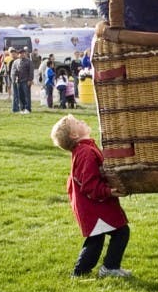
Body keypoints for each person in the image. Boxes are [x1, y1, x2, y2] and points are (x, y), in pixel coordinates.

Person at [49, 114, 130, 279]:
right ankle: (108, 267)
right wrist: (108, 191)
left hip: (92, 205)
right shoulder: (85, 152)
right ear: (74, 135)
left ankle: (81, 273)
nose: (82, 121)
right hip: (95, 206)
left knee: (96, 239)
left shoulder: (85, 148)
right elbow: (89, 185)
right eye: (77, 122)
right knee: (120, 232)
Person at [11, 48, 33, 114]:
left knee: (27, 95)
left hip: (26, 81)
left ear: (25, 54)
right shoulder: (16, 61)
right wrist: (14, 77)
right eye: (20, 53)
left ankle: (28, 108)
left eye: (23, 53)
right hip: (18, 81)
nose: (22, 54)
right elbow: (13, 70)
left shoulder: (29, 61)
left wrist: (30, 80)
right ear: (18, 54)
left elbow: (31, 72)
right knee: (20, 96)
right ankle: (22, 108)